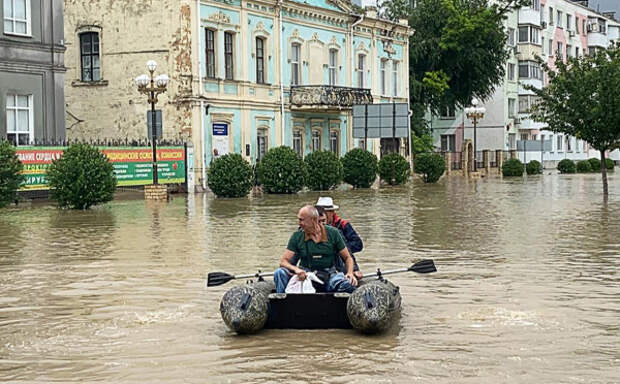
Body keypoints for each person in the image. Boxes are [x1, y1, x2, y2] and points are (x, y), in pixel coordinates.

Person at [274, 205, 358, 294]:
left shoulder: (333, 233)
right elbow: (283, 261)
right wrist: (296, 270)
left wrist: (350, 273)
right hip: (305, 275)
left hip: (329, 275)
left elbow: (347, 258)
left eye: (301, 220)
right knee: (279, 273)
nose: (299, 223)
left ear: (313, 220)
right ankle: (284, 303)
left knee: (347, 285)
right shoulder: (297, 236)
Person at [316, 196, 364, 280]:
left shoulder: (342, 225)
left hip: (340, 260)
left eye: (325, 213)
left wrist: (337, 248)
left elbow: (357, 245)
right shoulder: (305, 228)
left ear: (332, 212)